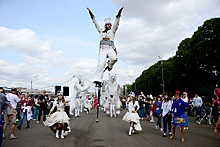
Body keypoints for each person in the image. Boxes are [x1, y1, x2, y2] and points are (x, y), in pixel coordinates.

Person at [87, 7, 124, 85]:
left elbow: (116, 24)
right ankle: (98, 79)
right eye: (107, 25)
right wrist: (91, 15)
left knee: (114, 58)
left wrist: (118, 15)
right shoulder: (101, 31)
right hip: (103, 49)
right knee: (101, 64)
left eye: (110, 25)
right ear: (105, 25)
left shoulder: (112, 31)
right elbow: (95, 23)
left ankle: (110, 65)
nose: (109, 26)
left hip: (110, 48)